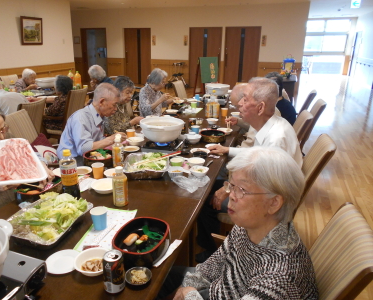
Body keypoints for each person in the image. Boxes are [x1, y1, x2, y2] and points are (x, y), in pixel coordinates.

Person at [158, 147, 318, 300]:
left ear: (274, 203)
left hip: (220, 293)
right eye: (231, 186)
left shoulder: (279, 278)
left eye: (241, 189)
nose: (231, 196)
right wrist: (185, 288)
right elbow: (215, 263)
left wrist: (189, 295)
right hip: (220, 290)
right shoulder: (251, 224)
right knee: (156, 278)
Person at [197, 77, 302, 263]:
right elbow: (255, 155)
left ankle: (212, 253)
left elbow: (264, 188)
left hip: (270, 204)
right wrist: (228, 151)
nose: (240, 104)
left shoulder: (276, 139)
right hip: (262, 189)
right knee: (209, 184)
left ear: (260, 108)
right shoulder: (269, 126)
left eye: (245, 99)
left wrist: (229, 188)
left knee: (205, 197)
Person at [0, 102, 54, 220]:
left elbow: (30, 154)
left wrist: (40, 165)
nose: (1, 137)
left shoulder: (5, 137)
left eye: (3, 129)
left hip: (18, 205)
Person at [57, 83, 126, 165]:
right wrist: (111, 139)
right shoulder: (81, 118)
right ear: (102, 102)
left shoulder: (101, 115)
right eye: (114, 105)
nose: (115, 109)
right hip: (72, 162)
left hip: (91, 156)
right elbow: (83, 149)